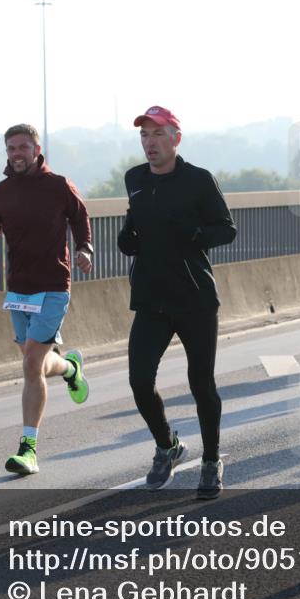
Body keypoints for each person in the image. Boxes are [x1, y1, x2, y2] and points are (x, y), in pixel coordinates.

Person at [118, 106, 237, 499]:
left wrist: (195, 233)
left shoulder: (198, 180)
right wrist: (127, 235)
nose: (149, 142)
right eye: (144, 135)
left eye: (157, 134)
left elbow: (227, 229)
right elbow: (136, 220)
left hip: (194, 299)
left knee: (201, 384)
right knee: (139, 381)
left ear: (176, 138)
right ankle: (167, 444)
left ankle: (211, 461)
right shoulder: (134, 179)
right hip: (151, 298)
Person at [0, 123, 93, 476]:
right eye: (11, 148)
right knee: (34, 364)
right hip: (18, 288)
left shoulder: (58, 185)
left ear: (37, 150)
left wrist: (85, 248)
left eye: (23, 147)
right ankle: (70, 368)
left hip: (53, 285)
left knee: (30, 363)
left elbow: (80, 218)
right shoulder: (2, 192)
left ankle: (29, 450)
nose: (17, 154)